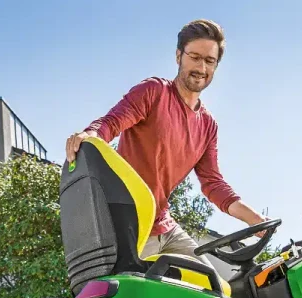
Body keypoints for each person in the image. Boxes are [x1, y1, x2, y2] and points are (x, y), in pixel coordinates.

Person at [66, 19, 268, 264]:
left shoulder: (208, 125)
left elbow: (213, 183)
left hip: (166, 227)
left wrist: (253, 219)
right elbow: (113, 122)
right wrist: (91, 134)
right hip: (131, 226)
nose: (201, 68)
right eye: (194, 57)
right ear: (178, 56)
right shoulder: (154, 92)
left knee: (212, 287)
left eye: (209, 61)